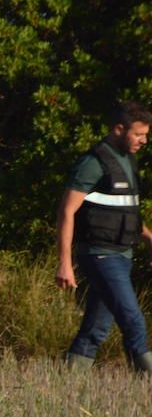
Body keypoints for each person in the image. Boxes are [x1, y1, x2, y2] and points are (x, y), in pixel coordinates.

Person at [56, 99, 152, 371]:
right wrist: (64, 263)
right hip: (100, 254)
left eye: (146, 135)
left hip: (123, 254)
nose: (144, 141)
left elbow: (126, 212)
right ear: (119, 129)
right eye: (139, 134)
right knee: (133, 319)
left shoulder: (127, 161)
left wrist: (148, 238)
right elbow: (66, 211)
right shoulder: (93, 163)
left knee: (97, 327)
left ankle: (70, 379)